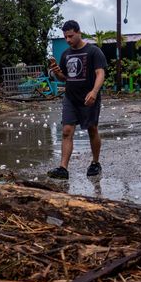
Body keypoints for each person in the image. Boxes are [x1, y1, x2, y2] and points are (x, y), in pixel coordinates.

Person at [47, 20, 107, 179]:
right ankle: (63, 168)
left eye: (71, 36)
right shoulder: (66, 54)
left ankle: (95, 163)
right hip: (71, 98)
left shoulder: (93, 51)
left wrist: (94, 92)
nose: (68, 40)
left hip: (89, 98)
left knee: (92, 129)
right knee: (66, 131)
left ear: (79, 32)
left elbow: (100, 73)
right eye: (65, 37)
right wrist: (56, 71)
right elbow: (64, 78)